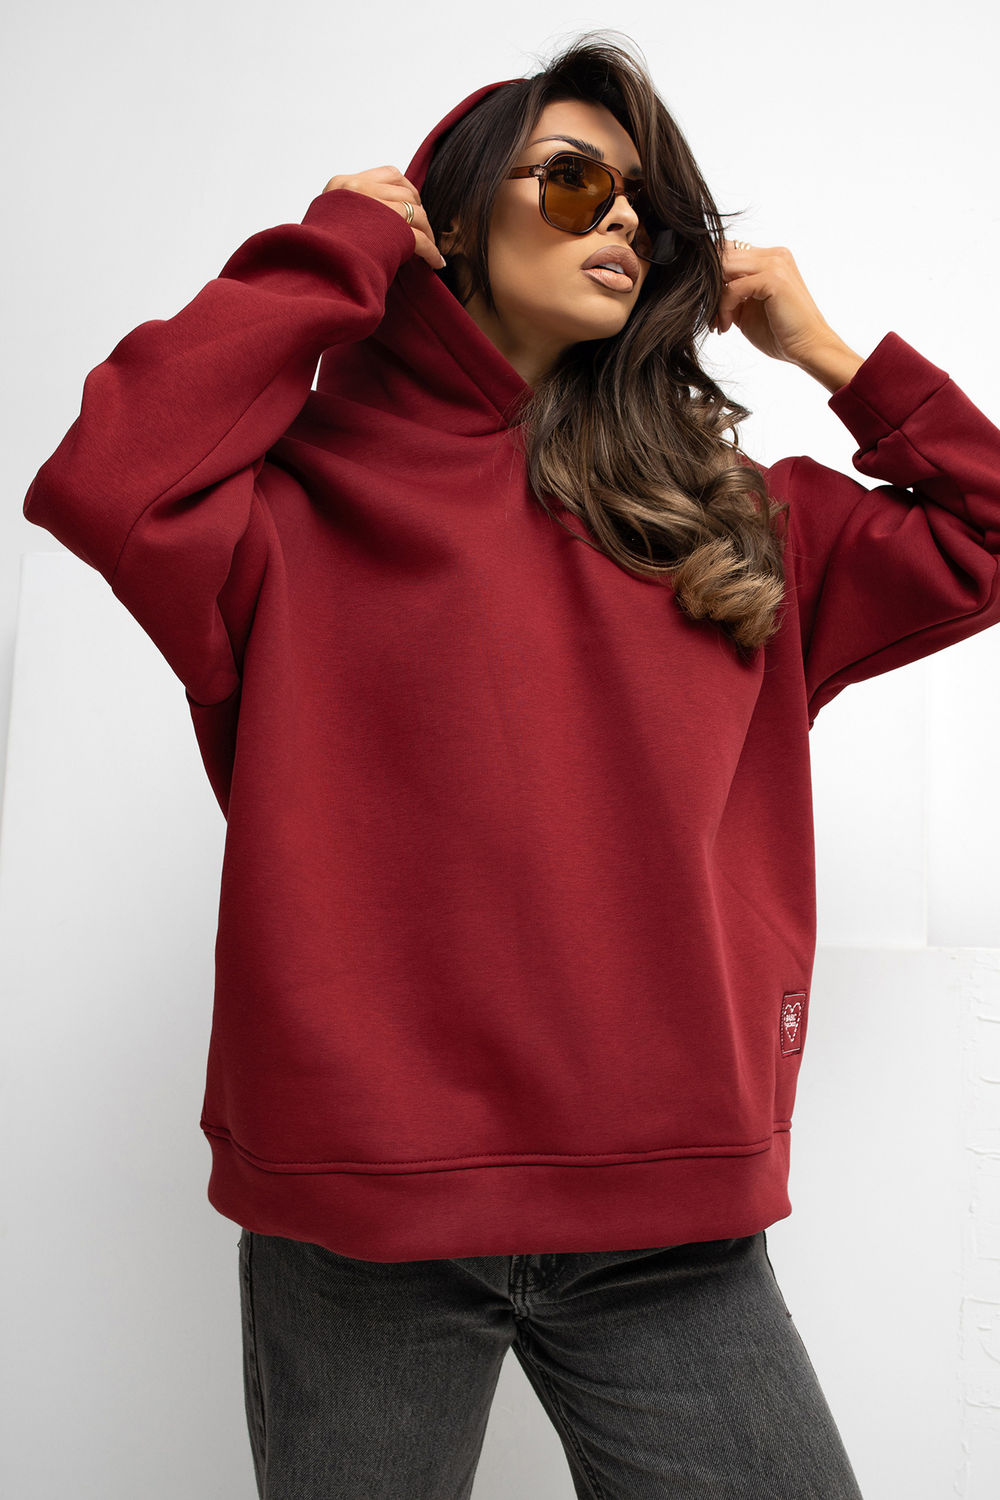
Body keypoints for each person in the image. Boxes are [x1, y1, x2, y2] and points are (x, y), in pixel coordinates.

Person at [21, 28, 1000, 1500]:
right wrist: (332, 255)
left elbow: (986, 531)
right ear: (455, 219)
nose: (623, 223)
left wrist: (831, 353)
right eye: (574, 181)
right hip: (362, 1222)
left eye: (648, 209)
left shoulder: (731, 520)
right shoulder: (288, 503)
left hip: (667, 1221)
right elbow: (105, 480)